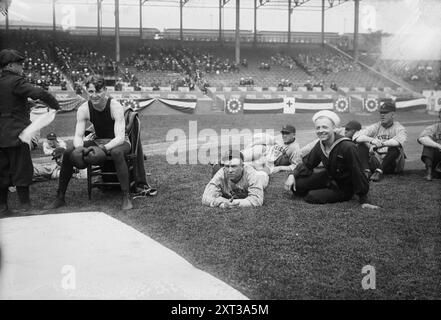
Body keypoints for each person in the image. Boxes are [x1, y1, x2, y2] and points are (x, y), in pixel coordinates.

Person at [45, 76, 134, 210]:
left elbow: (120, 137)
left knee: (116, 152)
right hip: (98, 139)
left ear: (105, 90)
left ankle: (126, 196)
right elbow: (78, 135)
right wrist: (79, 149)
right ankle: (60, 196)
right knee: (69, 152)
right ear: (87, 91)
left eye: (98, 91)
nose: (94, 95)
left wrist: (104, 148)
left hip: (119, 141)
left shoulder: (115, 106)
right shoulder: (83, 108)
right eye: (91, 92)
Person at [0, 49, 60, 216]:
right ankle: (26, 207)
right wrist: (55, 105)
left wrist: (25, 106)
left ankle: (3, 207)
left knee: (2, 171)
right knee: (22, 170)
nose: (22, 68)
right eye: (19, 65)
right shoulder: (16, 81)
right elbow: (38, 93)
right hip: (16, 135)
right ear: (10, 65)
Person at [284, 110, 372, 206]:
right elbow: (308, 164)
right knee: (296, 185)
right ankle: (323, 189)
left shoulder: (347, 146)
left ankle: (332, 192)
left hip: (343, 186)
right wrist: (292, 175)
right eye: (318, 128)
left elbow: (357, 171)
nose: (321, 131)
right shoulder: (320, 144)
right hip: (328, 178)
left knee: (311, 197)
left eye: (325, 127)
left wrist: (363, 199)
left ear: (333, 127)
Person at [353, 101, 407, 182]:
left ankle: (379, 171)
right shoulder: (376, 126)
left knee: (396, 148)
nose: (382, 115)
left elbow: (398, 141)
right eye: (381, 112)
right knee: (361, 144)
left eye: (385, 112)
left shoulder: (399, 128)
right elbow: (356, 136)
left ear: (393, 114)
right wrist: (372, 140)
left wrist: (381, 144)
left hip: (393, 165)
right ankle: (366, 171)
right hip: (377, 161)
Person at [202, 149, 268, 208]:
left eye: (234, 166)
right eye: (227, 166)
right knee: (217, 168)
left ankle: (267, 164)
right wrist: (223, 204)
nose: (230, 170)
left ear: (242, 166)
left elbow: (256, 200)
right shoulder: (221, 173)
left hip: (261, 177)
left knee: (264, 173)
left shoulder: (251, 174)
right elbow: (206, 198)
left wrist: (233, 203)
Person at [417, 109, 441, 181]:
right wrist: (438, 145)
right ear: (439, 116)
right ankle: (429, 173)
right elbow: (422, 138)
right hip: (437, 159)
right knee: (428, 145)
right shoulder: (434, 127)